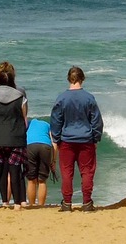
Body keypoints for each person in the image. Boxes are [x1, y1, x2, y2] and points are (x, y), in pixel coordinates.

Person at [49, 66, 104, 212]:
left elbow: (55, 121)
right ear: (82, 78)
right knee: (87, 172)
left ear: (69, 79)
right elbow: (96, 121)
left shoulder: (61, 98)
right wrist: (96, 138)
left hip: (67, 139)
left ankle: (67, 203)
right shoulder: (89, 98)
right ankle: (87, 203)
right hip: (86, 139)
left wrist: (56, 138)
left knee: (67, 173)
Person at [0, 61, 28, 209]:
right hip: (15, 139)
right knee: (15, 171)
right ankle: (17, 203)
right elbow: (24, 120)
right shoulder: (21, 98)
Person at [24, 115, 57, 208]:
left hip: (30, 146)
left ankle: (31, 204)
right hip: (45, 146)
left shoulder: (29, 124)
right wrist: (53, 160)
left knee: (31, 179)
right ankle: (41, 205)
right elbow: (54, 142)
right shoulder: (48, 125)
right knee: (42, 180)